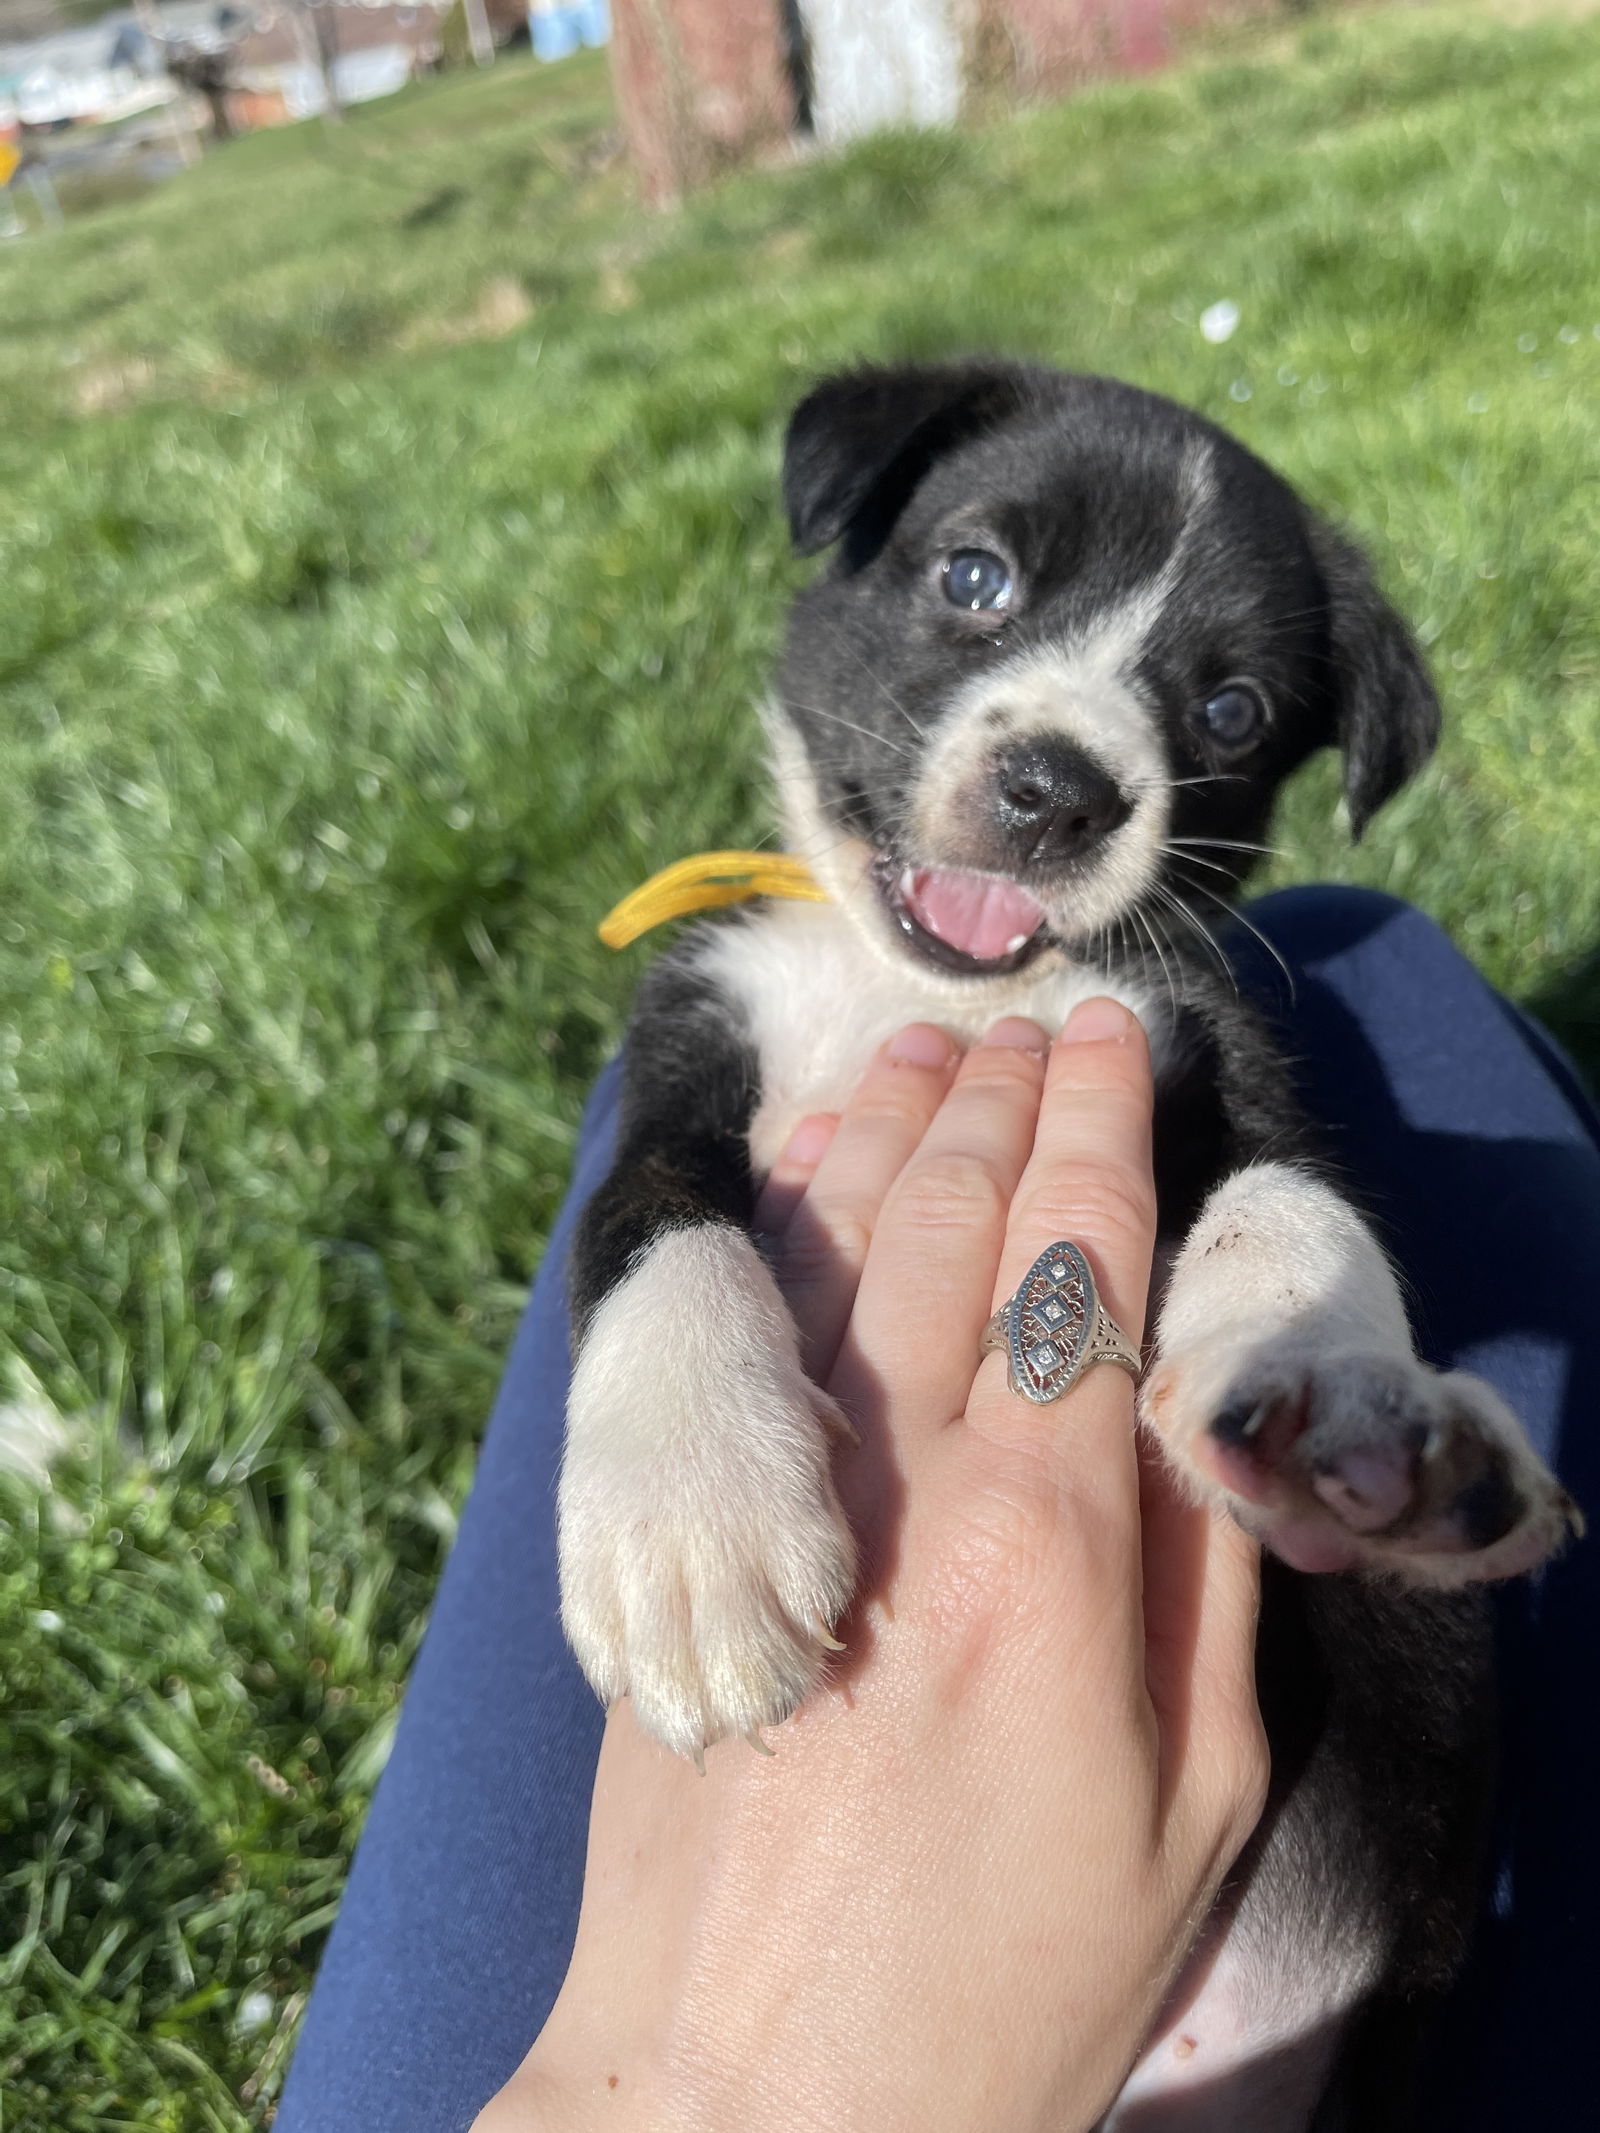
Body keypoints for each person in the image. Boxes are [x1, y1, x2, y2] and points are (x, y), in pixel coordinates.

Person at [274, 890, 1600, 2132]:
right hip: (1317, 1906)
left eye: (1227, 713)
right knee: (1358, 938)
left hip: (1269, 1891)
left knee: (655, 1104)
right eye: (980, 616)